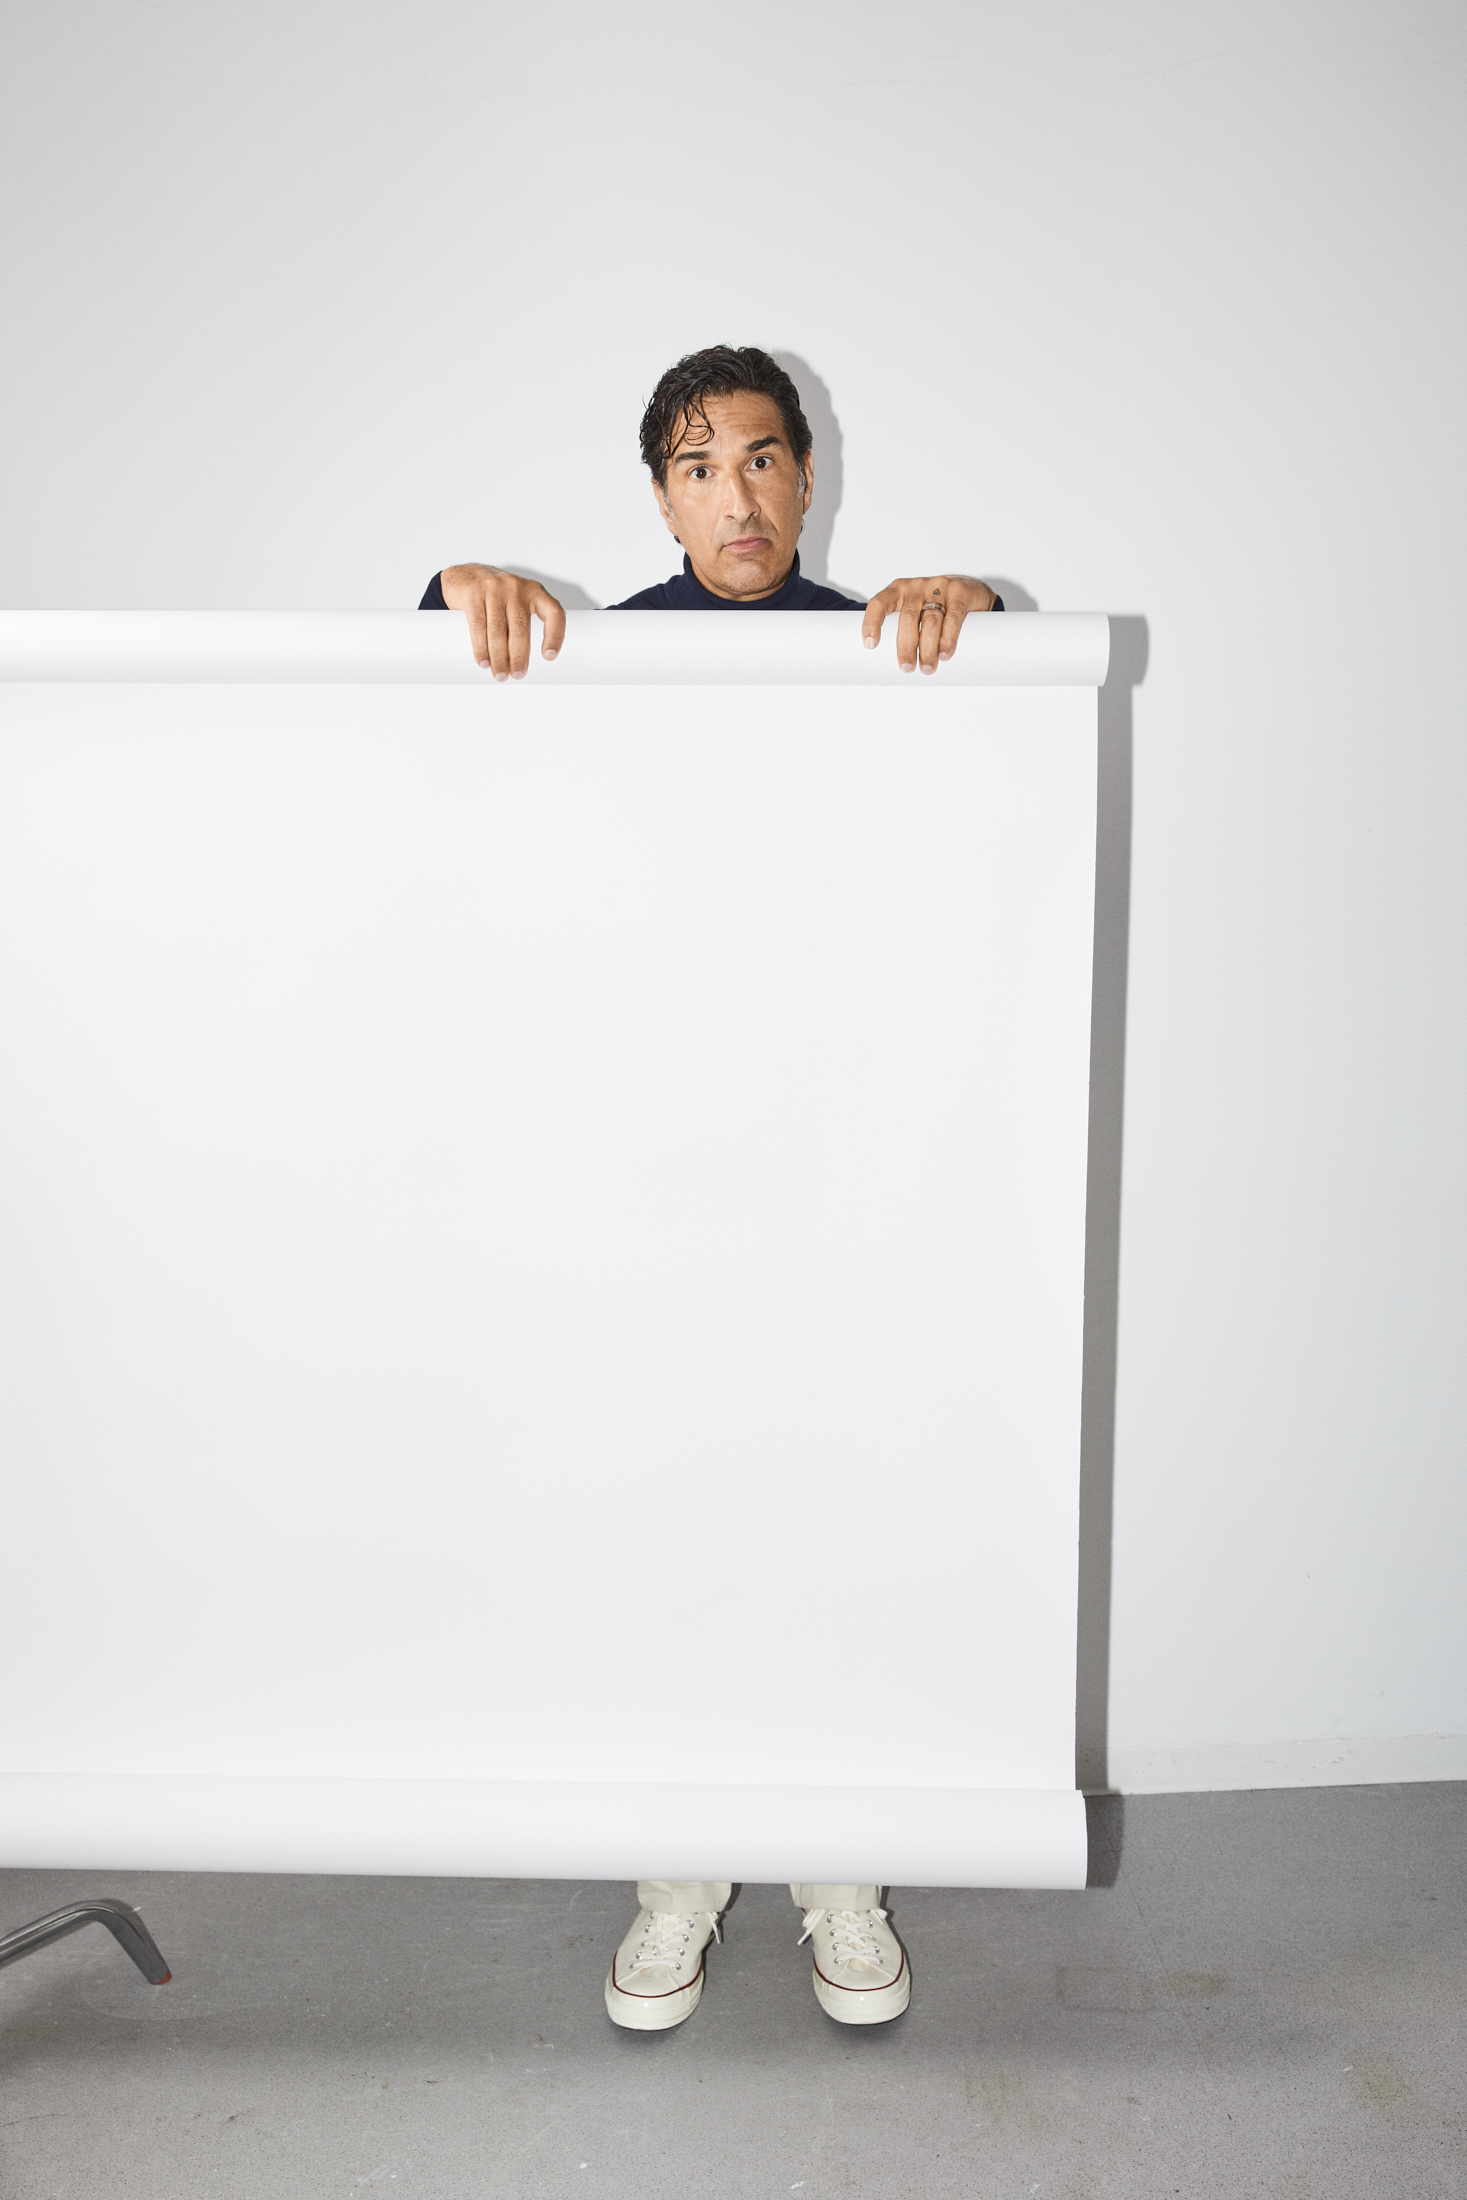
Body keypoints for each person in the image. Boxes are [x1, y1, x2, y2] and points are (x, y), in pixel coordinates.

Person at [420, 346, 1006, 2031]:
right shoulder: (595, 653)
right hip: (654, 1155)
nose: (734, 496)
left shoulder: (889, 641)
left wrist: (985, 613)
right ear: (661, 498)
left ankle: (840, 1874)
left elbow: (998, 771)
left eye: (761, 458)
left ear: (807, 475)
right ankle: (678, 1872)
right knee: (668, 1513)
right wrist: (446, 589)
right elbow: (414, 731)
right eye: (696, 466)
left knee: (839, 1507)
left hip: (849, 1157)